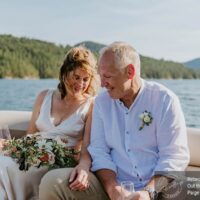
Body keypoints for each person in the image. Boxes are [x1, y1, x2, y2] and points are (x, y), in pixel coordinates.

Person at [39, 42, 190, 200]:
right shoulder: (101, 103)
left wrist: (148, 193)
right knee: (53, 182)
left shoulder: (164, 100)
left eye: (108, 77)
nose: (102, 84)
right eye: (100, 76)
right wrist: (113, 189)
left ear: (130, 72)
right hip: (111, 186)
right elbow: (99, 151)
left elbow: (174, 157)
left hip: (159, 189)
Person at [0, 46, 99, 200]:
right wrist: (9, 146)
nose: (81, 83)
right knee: (3, 161)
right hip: (31, 152)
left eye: (86, 79)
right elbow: (30, 135)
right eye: (76, 77)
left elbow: (86, 149)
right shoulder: (44, 96)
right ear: (65, 73)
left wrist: (81, 167)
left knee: (9, 167)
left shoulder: (91, 105)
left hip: (59, 160)